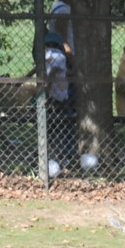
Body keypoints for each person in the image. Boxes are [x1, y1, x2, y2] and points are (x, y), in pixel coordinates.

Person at [43, 30, 78, 164]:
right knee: (64, 123)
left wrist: (48, 85)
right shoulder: (59, 55)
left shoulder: (52, 54)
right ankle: (66, 153)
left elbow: (54, 71)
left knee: (55, 124)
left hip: (56, 94)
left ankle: (59, 153)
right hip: (63, 94)